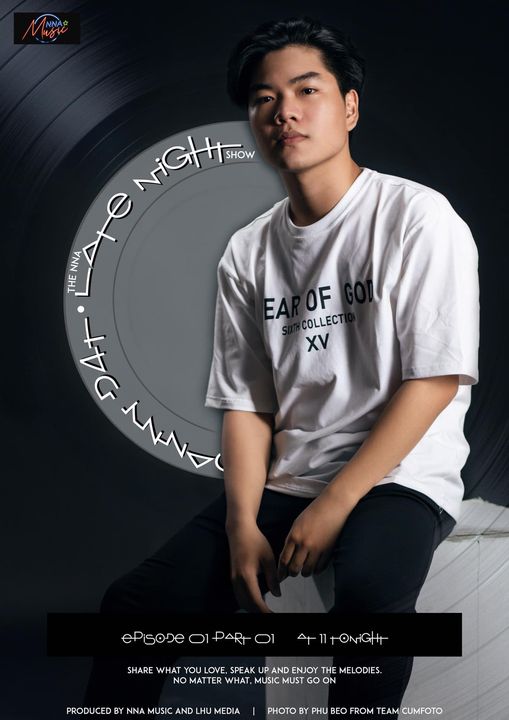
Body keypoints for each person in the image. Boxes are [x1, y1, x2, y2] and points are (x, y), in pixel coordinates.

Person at [84, 16, 479, 718]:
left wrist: (336, 503)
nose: (283, 112)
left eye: (306, 90)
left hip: (398, 475)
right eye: (263, 99)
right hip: (291, 478)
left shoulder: (417, 217)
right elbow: (247, 405)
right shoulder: (248, 250)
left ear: (349, 106)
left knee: (368, 603)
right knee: (132, 606)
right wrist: (242, 525)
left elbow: (434, 381)